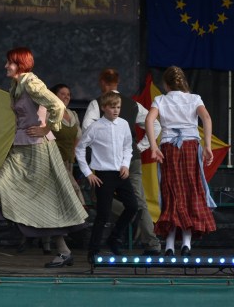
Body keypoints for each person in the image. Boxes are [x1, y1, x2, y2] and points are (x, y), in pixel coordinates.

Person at [0, 47, 87, 268]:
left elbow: (57, 105)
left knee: (45, 198)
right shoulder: (17, 85)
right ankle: (63, 250)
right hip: (23, 147)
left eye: (10, 63)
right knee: (5, 185)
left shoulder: (31, 83)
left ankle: (63, 251)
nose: (6, 66)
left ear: (20, 64)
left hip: (38, 148)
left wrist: (46, 128)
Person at [82, 68, 162, 255]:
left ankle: (122, 225)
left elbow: (86, 128)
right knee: (138, 201)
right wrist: (140, 147)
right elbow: (156, 125)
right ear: (118, 82)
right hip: (131, 159)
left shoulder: (97, 104)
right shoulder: (133, 105)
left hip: (107, 162)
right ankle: (152, 242)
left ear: (102, 82)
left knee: (99, 199)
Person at [145, 66, 216, 257]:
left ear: (166, 84)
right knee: (190, 191)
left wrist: (154, 146)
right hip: (190, 147)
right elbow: (206, 117)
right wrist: (207, 146)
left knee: (171, 193)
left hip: (169, 148)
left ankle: (169, 245)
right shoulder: (194, 99)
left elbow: (149, 120)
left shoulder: (160, 100)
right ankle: (186, 243)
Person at [76, 92, 139, 262]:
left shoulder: (124, 124)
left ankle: (114, 238)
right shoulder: (95, 127)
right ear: (104, 108)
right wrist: (88, 173)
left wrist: (125, 164)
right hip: (103, 175)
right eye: (112, 107)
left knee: (133, 206)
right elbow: (80, 148)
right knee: (103, 214)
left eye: (118, 107)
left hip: (121, 173)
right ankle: (93, 250)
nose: (116, 110)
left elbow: (128, 147)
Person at [49, 83, 86, 206]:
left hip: (68, 159)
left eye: (68, 94)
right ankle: (81, 211)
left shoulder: (72, 114)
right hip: (54, 160)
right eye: (62, 94)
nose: (66, 97)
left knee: (60, 192)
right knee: (73, 188)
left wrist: (73, 152)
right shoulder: (50, 113)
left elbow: (78, 135)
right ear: (55, 95)